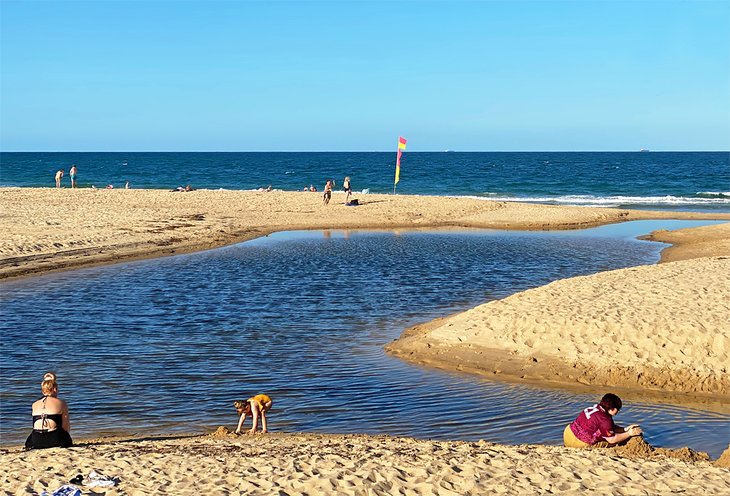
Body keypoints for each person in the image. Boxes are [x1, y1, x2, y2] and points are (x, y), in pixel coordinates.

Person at [564, 393, 642, 448]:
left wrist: (624, 429)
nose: (618, 412)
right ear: (613, 408)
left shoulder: (594, 408)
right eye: (618, 409)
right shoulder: (605, 419)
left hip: (568, 433)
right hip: (578, 443)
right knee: (614, 443)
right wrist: (629, 434)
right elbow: (612, 439)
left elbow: (607, 427)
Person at [25, 372, 73, 449]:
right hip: (55, 439)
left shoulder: (34, 404)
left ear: (43, 391)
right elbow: (65, 426)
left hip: (36, 440)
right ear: (55, 389)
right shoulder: (61, 403)